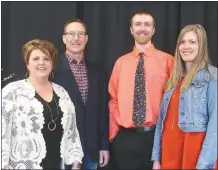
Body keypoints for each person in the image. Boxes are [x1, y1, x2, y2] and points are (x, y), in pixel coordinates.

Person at [1, 39, 83, 169]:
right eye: (36, 59)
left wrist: (75, 163)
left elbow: (72, 132)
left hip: (55, 164)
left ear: (52, 63)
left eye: (46, 58)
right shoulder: (12, 92)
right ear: (27, 63)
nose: (41, 63)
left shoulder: (62, 93)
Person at [108, 11, 174, 169]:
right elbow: (113, 99)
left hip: (156, 138)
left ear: (153, 29)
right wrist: (113, 135)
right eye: (138, 24)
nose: (142, 28)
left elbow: (175, 101)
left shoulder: (168, 61)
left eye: (147, 24)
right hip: (125, 139)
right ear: (131, 29)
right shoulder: (121, 63)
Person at [152, 24, 217, 169]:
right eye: (182, 42)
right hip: (169, 154)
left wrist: (204, 164)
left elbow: (215, 127)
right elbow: (161, 123)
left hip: (195, 155)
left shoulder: (212, 77)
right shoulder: (172, 81)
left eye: (192, 42)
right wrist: (156, 159)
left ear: (202, 46)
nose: (185, 46)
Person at [53, 19, 109, 170]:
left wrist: (104, 145)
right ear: (64, 38)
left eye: (80, 34)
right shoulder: (52, 71)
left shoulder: (97, 72)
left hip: (92, 150)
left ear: (86, 38)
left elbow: (103, 111)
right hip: (63, 151)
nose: (76, 38)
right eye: (71, 34)